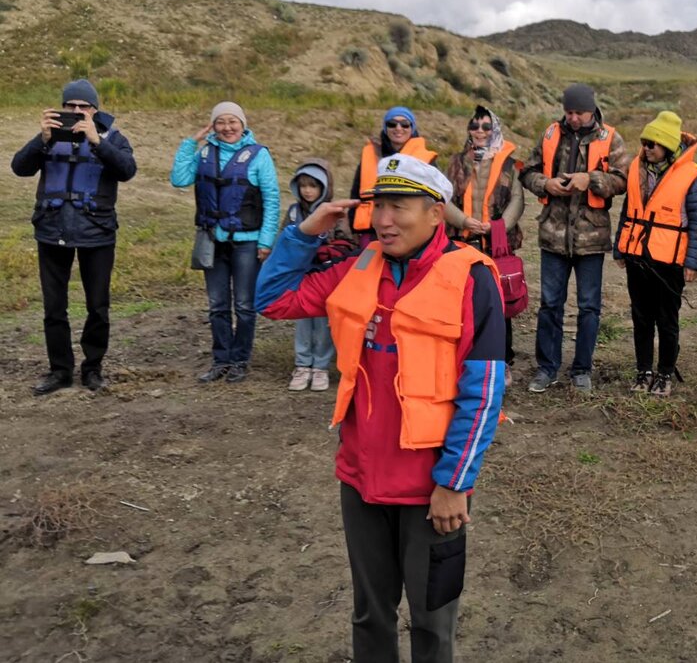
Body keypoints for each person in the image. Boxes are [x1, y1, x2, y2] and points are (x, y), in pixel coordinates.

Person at [255, 154, 506, 663]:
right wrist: (305, 232)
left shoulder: (473, 279)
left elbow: (482, 392)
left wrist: (454, 484)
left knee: (433, 623)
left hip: (431, 491)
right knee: (370, 614)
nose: (383, 220)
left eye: (398, 206)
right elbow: (272, 298)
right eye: (377, 207)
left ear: (437, 213)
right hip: (361, 480)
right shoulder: (357, 266)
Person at [11, 79, 137, 395]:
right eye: (71, 106)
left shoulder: (114, 138)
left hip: (97, 232)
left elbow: (127, 170)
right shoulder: (49, 138)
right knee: (54, 308)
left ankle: (93, 369)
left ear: (95, 110)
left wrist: (97, 141)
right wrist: (41, 139)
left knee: (98, 306)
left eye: (84, 106)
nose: (77, 111)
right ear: (62, 107)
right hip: (52, 231)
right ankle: (60, 371)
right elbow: (19, 168)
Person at [520, 83, 629, 394]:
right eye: (569, 112)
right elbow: (527, 172)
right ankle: (547, 368)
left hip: (591, 239)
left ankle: (582, 370)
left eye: (579, 112)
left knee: (589, 307)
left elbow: (622, 180)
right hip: (553, 236)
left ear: (591, 110)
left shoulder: (611, 138)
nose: (573, 118)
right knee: (550, 304)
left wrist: (590, 180)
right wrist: (546, 184)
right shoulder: (550, 134)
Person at [171, 102, 279, 384]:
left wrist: (266, 241)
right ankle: (221, 360)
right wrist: (190, 143)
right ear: (213, 126)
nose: (227, 128)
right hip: (212, 241)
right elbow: (179, 179)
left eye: (233, 122)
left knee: (244, 305)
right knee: (218, 305)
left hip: (247, 243)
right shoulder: (205, 152)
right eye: (221, 122)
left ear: (243, 125)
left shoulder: (259, 156)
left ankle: (240, 360)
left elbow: (271, 200)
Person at [613, 111, 697, 397]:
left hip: (670, 261)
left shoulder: (692, 177)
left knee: (667, 319)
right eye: (644, 142)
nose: (647, 148)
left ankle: (665, 373)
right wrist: (620, 246)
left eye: (652, 144)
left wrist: (693, 262)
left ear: (667, 145)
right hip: (637, 256)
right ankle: (643, 370)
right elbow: (627, 212)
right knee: (641, 317)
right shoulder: (636, 169)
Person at [444, 105, 524, 375]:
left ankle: (503, 359)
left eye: (486, 127)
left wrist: (499, 227)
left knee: (499, 303)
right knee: (461, 300)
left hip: (495, 244)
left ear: (495, 129)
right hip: (462, 241)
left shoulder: (508, 163)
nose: (479, 131)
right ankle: (464, 355)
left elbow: (517, 199)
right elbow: (442, 199)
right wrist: (463, 221)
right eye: (475, 126)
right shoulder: (456, 161)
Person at [284, 158, 352, 392]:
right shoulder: (293, 212)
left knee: (324, 322)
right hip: (300, 275)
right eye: (303, 186)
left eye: (313, 185)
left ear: (324, 187)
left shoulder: (335, 212)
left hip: (325, 277)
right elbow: (283, 239)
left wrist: (328, 251)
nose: (307, 191)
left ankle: (321, 366)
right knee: (303, 320)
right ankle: (302, 365)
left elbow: (347, 242)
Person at [351, 106, 437, 238]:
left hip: (409, 229)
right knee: (368, 258)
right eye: (392, 124)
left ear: (412, 128)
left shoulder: (426, 159)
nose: (398, 128)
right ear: (385, 128)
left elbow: (436, 199)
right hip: (370, 229)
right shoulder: (371, 153)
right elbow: (355, 194)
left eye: (405, 125)